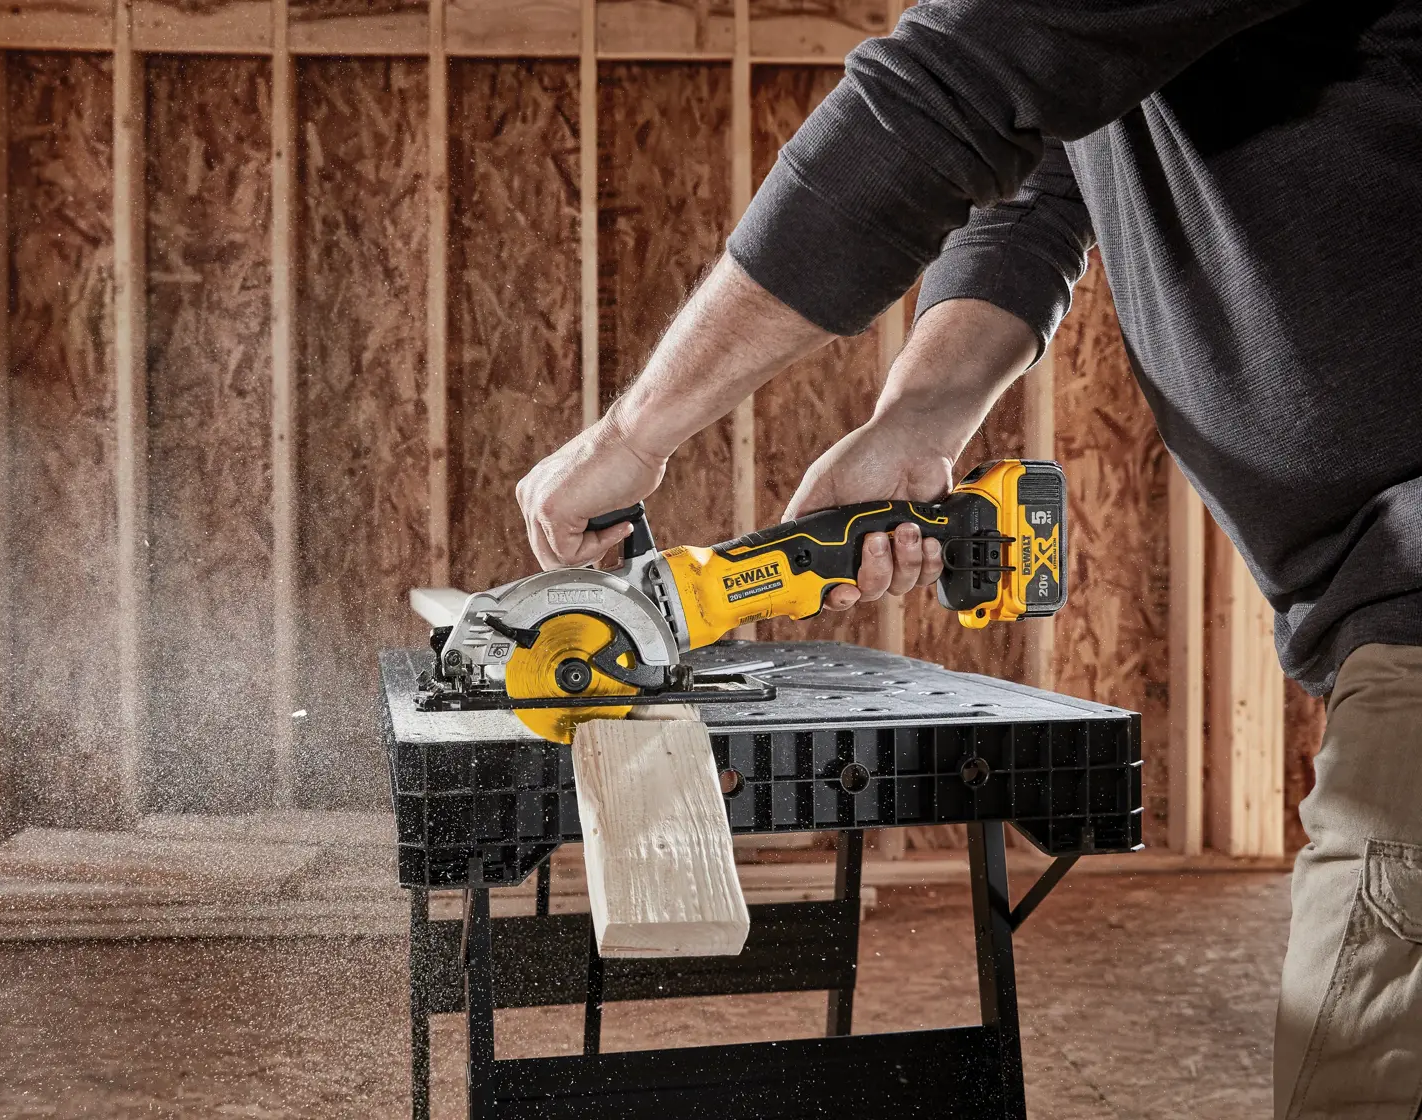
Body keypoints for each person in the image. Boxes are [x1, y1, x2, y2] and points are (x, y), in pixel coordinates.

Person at [513, 2, 1422, 1116]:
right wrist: (919, 420)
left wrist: (632, 435)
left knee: (1361, 1071)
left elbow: (948, 89)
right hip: (1380, 593)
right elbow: (1045, 181)